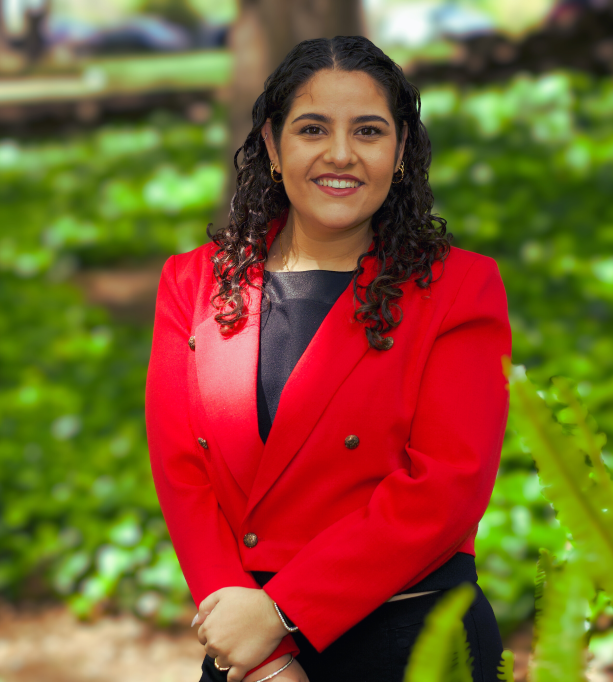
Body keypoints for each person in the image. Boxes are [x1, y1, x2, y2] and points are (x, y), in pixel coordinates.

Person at [145, 35, 511, 682]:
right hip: (248, 651)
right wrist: (264, 659)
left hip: (415, 642)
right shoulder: (191, 283)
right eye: (312, 128)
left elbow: (447, 487)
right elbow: (183, 474)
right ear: (271, 143)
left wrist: (282, 612)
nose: (341, 154)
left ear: (400, 148)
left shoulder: (460, 288)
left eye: (368, 131)